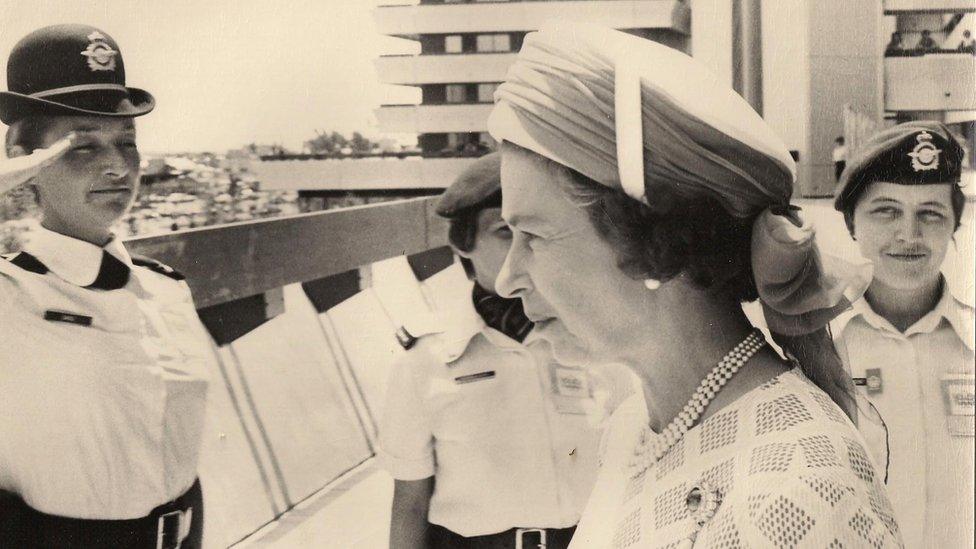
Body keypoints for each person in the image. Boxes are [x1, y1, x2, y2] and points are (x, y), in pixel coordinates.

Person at [486, 23, 902, 548]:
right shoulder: (636, 425)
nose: (507, 278)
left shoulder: (795, 488)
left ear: (649, 238)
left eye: (533, 236)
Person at [0, 25, 210, 548]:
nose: (117, 165)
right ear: (24, 155)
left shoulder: (165, 290)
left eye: (126, 143)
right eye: (83, 146)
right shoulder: (9, 294)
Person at [377, 152, 633, 549]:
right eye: (503, 232)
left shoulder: (597, 340)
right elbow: (409, 502)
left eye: (534, 234)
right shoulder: (427, 360)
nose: (521, 253)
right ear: (463, 243)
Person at [831, 121, 974, 549]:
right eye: (886, 210)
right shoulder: (815, 345)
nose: (909, 234)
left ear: (954, 226)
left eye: (931, 213)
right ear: (853, 223)